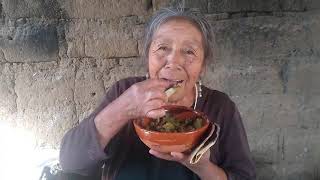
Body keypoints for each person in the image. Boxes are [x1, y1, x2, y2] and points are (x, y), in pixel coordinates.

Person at [59, 8, 256, 180]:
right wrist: (122, 109)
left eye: (189, 52)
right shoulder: (125, 91)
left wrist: (203, 167)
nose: (173, 61)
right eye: (163, 48)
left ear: (203, 65)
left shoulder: (220, 107)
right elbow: (71, 162)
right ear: (148, 56)